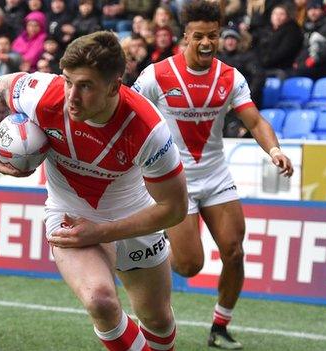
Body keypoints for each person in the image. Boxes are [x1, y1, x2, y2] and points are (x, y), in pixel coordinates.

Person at [0, 31, 188, 351]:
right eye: (67, 81)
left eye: (86, 86)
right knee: (101, 301)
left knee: (157, 318)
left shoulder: (148, 130)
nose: (71, 96)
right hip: (70, 214)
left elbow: (174, 208)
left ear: (114, 86)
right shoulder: (43, 94)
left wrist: (102, 232)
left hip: (134, 216)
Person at [132, 1, 294, 349]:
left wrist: (275, 150)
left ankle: (220, 327)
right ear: (185, 37)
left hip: (216, 175)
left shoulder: (230, 77)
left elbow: (255, 120)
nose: (207, 43)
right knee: (190, 266)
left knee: (234, 251)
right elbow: (130, 118)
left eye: (214, 36)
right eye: (200, 37)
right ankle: (152, 248)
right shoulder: (155, 75)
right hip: (174, 181)